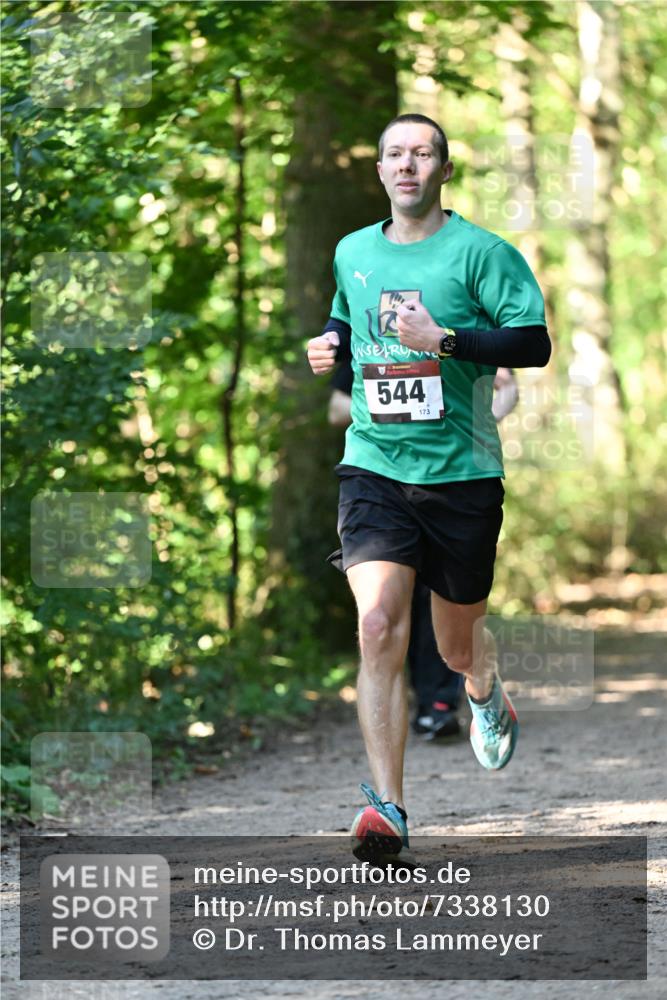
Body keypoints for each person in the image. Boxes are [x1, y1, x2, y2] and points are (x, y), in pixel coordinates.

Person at [307, 113, 549, 865]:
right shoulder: (352, 250)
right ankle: (387, 807)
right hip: (374, 465)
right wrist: (330, 349)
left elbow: (531, 343)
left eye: (421, 154)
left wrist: (442, 341)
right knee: (377, 624)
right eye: (393, 154)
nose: (406, 165)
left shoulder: (482, 253)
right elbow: (347, 329)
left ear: (443, 169)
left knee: (454, 645)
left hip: (462, 474)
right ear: (378, 169)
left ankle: (483, 691)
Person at [329, 358, 519, 741]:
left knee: (447, 609)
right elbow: (337, 407)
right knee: (385, 616)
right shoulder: (364, 323)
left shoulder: (454, 319)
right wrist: (396, 415)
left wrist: (472, 420)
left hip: (453, 480)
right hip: (382, 483)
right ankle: (425, 703)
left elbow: (507, 386)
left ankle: (447, 700)